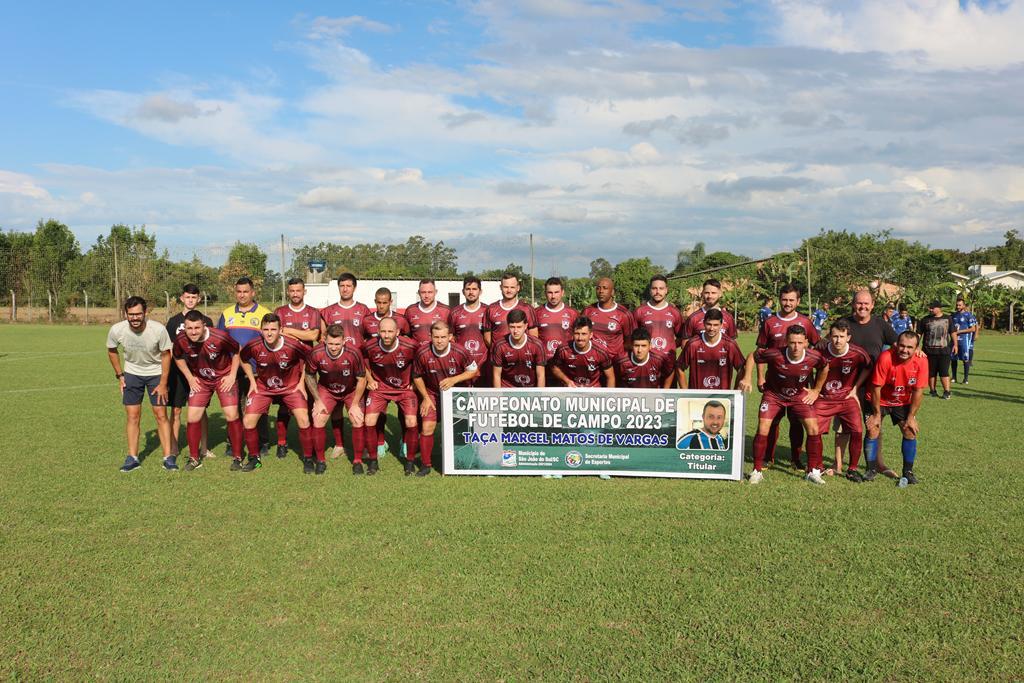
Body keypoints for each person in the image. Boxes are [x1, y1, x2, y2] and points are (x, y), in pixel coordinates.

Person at [739, 324, 829, 485]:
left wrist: (816, 390)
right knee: (763, 427)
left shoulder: (813, 357)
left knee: (814, 428)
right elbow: (753, 356)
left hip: (798, 395)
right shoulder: (775, 354)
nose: (796, 346)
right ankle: (756, 471)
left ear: (806, 342)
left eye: (800, 343)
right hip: (774, 395)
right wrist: (747, 377)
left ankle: (812, 471)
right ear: (787, 341)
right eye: (793, 342)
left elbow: (824, 367)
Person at [106, 296, 175, 472]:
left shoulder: (158, 330)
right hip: (132, 374)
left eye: (138, 314)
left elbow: (167, 355)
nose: (134, 318)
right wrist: (120, 375)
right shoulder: (117, 330)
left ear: (145, 313)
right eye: (131, 314)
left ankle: (168, 457)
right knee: (133, 416)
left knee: (161, 415)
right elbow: (112, 350)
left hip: (155, 374)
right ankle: (132, 458)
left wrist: (163, 383)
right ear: (125, 314)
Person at [755, 283, 820, 469]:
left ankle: (796, 458)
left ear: (798, 301)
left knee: (797, 421)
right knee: (772, 421)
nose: (787, 303)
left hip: (800, 384)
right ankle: (768, 457)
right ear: (779, 300)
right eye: (784, 299)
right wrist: (760, 377)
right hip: (774, 383)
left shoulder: (806, 322)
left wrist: (814, 384)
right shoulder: (770, 322)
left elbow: (815, 349)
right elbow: (760, 351)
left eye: (791, 300)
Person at [837, 289, 900, 478]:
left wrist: (918, 352)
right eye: (859, 303)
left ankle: (877, 464)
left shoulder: (881, 324)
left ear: (872, 305)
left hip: (874, 385)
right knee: (843, 427)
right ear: (853, 304)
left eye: (866, 303)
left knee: (874, 424)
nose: (862, 307)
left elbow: (900, 345)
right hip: (846, 385)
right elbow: (830, 344)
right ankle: (837, 464)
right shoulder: (844, 323)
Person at [239, 314, 313, 472]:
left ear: (280, 330)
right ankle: (254, 458)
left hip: (290, 388)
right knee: (248, 421)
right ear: (261, 330)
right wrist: (252, 381)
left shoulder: (292, 345)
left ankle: (307, 458)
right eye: (265, 329)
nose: (269, 333)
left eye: (273, 329)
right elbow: (242, 358)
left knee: (304, 420)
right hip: (263, 388)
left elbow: (309, 357)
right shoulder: (254, 345)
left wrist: (301, 383)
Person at [171, 310, 243, 471]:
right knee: (192, 416)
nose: (193, 332)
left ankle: (237, 457)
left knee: (232, 415)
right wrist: (190, 377)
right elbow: (177, 356)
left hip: (223, 378)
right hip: (201, 380)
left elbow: (237, 350)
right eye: (189, 328)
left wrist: (232, 375)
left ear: (204, 325)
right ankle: (194, 458)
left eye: (197, 327)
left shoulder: (219, 336)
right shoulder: (181, 339)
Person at [412, 321, 479, 477]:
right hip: (432, 394)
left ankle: (461, 461)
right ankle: (426, 464)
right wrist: (426, 397)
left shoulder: (460, 351)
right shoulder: (422, 353)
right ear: (430, 337)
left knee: (461, 429)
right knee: (427, 427)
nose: (440, 341)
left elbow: (473, 371)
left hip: (457, 394)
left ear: (450, 337)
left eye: (443, 337)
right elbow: (417, 377)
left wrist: (454, 380)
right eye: (436, 337)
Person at [218, 277, 272, 457]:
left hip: (257, 370)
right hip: (231, 371)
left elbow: (270, 341)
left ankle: (262, 441)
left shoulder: (263, 313)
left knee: (258, 406)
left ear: (253, 293)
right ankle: (233, 441)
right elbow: (220, 342)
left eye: (246, 291)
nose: (242, 295)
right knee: (232, 407)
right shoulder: (226, 314)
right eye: (239, 292)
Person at [865, 331, 928, 485]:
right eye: (902, 346)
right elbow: (876, 388)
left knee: (909, 431)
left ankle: (908, 472)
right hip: (879, 399)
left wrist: (911, 417)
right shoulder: (886, 358)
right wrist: (876, 414)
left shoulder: (922, 361)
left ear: (916, 348)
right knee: (873, 429)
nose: (905, 350)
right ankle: (871, 470)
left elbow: (918, 391)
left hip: (902, 401)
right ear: (896, 345)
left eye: (909, 347)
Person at [361, 317, 421, 475]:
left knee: (411, 421)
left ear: (398, 332)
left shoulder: (410, 345)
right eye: (383, 331)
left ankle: (409, 462)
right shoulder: (370, 345)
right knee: (369, 420)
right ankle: (373, 461)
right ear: (378, 331)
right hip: (380, 388)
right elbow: (361, 360)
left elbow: (421, 360)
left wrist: (415, 381)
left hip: (404, 388)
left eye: (390, 331)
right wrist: (370, 379)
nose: (386, 335)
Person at [813, 320, 871, 481]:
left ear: (848, 337)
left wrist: (855, 389)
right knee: (814, 431)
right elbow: (806, 366)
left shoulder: (857, 353)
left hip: (846, 398)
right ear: (829, 336)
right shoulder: (820, 351)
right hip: (824, 398)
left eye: (841, 336)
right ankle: (817, 466)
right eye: (834, 336)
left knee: (857, 431)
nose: (838, 340)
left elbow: (868, 367)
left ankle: (852, 469)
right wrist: (814, 390)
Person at [305, 323, 367, 475]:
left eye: (337, 344)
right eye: (330, 343)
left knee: (357, 418)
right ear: (324, 340)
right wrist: (318, 400)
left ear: (344, 341)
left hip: (351, 390)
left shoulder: (354, 353)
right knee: (318, 418)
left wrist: (354, 404)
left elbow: (362, 379)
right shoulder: (316, 352)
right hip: (327, 389)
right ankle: (320, 460)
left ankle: (358, 461)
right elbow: (309, 375)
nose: (333, 347)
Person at [273, 278, 321, 459]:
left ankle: (309, 445)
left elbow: (313, 335)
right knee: (285, 405)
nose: (295, 294)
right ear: (288, 292)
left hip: (307, 365)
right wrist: (294, 332)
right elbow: (275, 333)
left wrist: (289, 331)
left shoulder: (313, 312)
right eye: (292, 291)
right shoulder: (279, 311)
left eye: (298, 290)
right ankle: (281, 443)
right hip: (285, 365)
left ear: (304, 291)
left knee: (309, 403)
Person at [165, 284, 213, 461]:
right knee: (176, 410)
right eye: (188, 297)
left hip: (199, 373)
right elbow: (168, 348)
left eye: (194, 297)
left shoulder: (207, 321)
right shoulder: (173, 322)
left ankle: (204, 448)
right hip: (177, 373)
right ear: (182, 298)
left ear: (199, 299)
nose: (191, 300)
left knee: (201, 411)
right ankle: (174, 446)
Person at [361, 287, 410, 459]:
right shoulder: (366, 321)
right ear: (375, 302)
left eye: (385, 302)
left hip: (400, 375)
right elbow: (364, 350)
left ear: (391, 302)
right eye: (378, 302)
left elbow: (408, 345)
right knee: (378, 412)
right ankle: (381, 442)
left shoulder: (401, 320)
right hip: (378, 375)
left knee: (404, 411)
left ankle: (405, 441)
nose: (381, 306)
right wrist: (369, 377)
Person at [677, 308, 745, 391]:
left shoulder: (730, 344)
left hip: (722, 399)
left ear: (721, 325)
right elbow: (679, 367)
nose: (712, 328)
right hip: (697, 397)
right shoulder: (693, 344)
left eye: (715, 325)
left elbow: (741, 368)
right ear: (703, 323)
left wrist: (735, 392)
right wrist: (685, 392)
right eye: (709, 324)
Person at [448, 276, 491, 386]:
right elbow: (451, 338)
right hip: (462, 368)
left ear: (480, 291)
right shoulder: (455, 313)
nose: (471, 292)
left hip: (483, 366)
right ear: (463, 291)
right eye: (468, 289)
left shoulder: (488, 310)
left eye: (474, 289)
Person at [550, 317, 615, 388]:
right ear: (572, 334)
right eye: (577, 333)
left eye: (584, 334)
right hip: (571, 390)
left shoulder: (601, 352)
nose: (580, 338)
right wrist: (567, 381)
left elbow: (610, 377)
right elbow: (554, 368)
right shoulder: (563, 349)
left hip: (593, 392)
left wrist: (607, 397)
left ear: (591, 335)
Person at [491, 309, 548, 388]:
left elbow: (541, 375)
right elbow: (496, 375)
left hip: (530, 389)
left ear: (525, 326)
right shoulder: (499, 346)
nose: (515, 331)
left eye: (519, 327)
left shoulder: (537, 345)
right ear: (508, 326)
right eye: (512, 327)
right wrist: (498, 397)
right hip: (508, 389)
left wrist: (539, 396)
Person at [582, 277, 635, 359]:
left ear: (612, 292)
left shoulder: (624, 314)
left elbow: (630, 342)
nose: (601, 291)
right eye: (598, 288)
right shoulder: (587, 311)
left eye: (605, 288)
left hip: (614, 362)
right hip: (592, 362)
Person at [633, 275, 684, 356]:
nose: (657, 292)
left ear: (666, 290)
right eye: (654, 288)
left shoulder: (675, 312)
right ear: (650, 290)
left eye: (661, 288)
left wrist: (670, 346)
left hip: (668, 362)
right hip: (647, 361)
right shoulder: (640, 311)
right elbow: (633, 337)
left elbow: (682, 337)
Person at [917, 300, 957, 399]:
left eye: (932, 308)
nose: (930, 309)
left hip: (944, 351)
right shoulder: (925, 320)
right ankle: (932, 391)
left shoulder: (948, 319)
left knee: (944, 372)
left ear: (939, 308)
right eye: (930, 308)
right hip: (928, 351)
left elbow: (952, 332)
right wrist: (916, 346)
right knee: (931, 372)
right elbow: (919, 334)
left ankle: (947, 391)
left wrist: (955, 344)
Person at [486, 272, 538, 342]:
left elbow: (534, 336)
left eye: (512, 287)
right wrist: (497, 349)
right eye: (506, 287)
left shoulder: (527, 309)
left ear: (518, 288)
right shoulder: (491, 309)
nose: (509, 290)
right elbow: (487, 337)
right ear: (500, 287)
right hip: (498, 353)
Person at [534, 276, 578, 358]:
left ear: (562, 292)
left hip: (565, 361)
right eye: (550, 292)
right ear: (545, 293)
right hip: (544, 362)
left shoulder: (573, 313)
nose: (553, 296)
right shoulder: (536, 313)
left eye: (556, 292)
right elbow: (533, 340)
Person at [405, 279, 450, 345]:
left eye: (430, 292)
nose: (426, 296)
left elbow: (452, 335)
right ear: (419, 292)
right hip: (417, 354)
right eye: (423, 292)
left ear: (436, 292)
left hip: (438, 354)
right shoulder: (410, 311)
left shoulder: (446, 311)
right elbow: (405, 336)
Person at [950, 298, 978, 384]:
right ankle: (954, 377)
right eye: (957, 305)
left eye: (960, 305)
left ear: (964, 305)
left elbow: (973, 328)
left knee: (965, 358)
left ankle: (965, 379)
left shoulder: (968, 315)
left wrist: (959, 332)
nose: (958, 307)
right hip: (954, 339)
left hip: (964, 339)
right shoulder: (954, 315)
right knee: (953, 358)